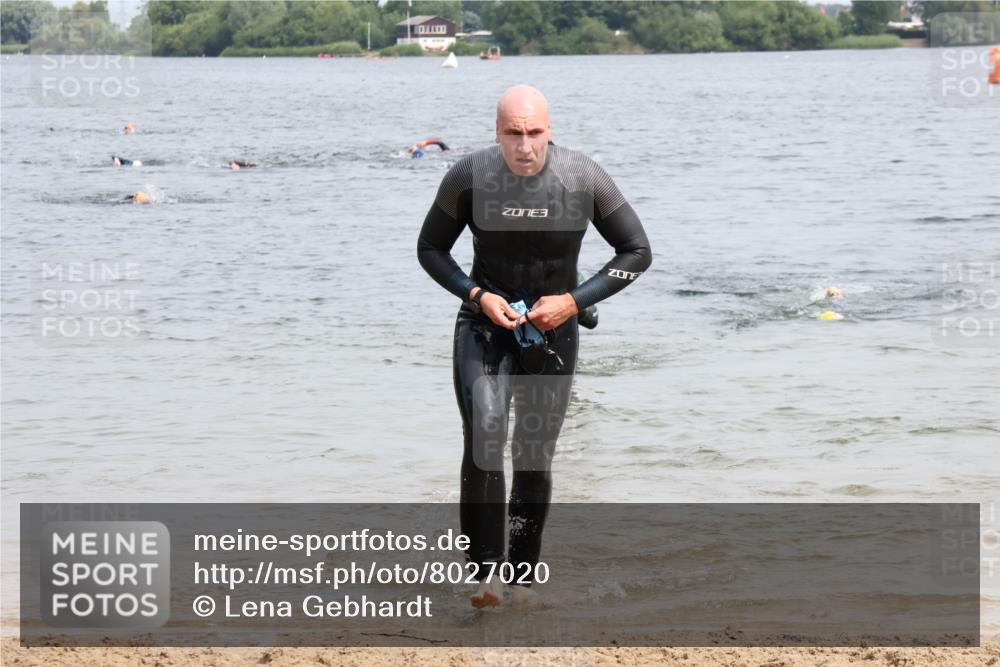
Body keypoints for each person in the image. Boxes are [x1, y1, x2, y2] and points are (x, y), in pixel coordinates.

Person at [417, 84, 652, 608]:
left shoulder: (583, 177)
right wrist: (475, 294)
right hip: (485, 321)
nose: (525, 146)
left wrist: (574, 300)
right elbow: (430, 247)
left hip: (556, 328)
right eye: (513, 134)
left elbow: (636, 252)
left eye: (535, 133)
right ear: (496, 132)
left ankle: (521, 582)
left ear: (550, 130)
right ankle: (484, 580)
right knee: (484, 433)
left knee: (532, 455)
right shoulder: (467, 176)